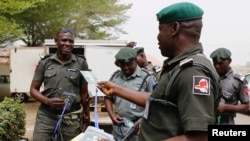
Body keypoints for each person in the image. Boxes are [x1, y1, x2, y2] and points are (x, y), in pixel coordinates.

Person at [97, 2, 222, 141]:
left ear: (174, 28)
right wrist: (116, 89)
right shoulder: (177, 67)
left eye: (160, 29)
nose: (157, 37)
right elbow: (157, 99)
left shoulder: (192, 71)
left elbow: (199, 137)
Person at [30, 27, 90, 141]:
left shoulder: (81, 63)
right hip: (46, 116)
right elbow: (33, 90)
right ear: (56, 41)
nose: (67, 44)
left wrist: (86, 116)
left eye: (71, 41)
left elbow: (84, 92)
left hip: (71, 116)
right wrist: (47, 101)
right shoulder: (45, 62)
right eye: (63, 40)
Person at [105, 47, 156, 141]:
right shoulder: (115, 77)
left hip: (138, 130)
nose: (125, 68)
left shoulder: (147, 77)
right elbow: (108, 98)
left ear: (135, 61)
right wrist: (112, 115)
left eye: (129, 64)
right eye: (122, 65)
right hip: (118, 129)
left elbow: (154, 103)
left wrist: (144, 122)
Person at [210, 47, 249, 125]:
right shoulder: (209, 78)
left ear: (230, 61)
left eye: (221, 63)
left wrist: (225, 107)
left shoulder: (238, 81)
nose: (217, 66)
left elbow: (246, 107)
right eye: (215, 63)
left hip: (226, 123)